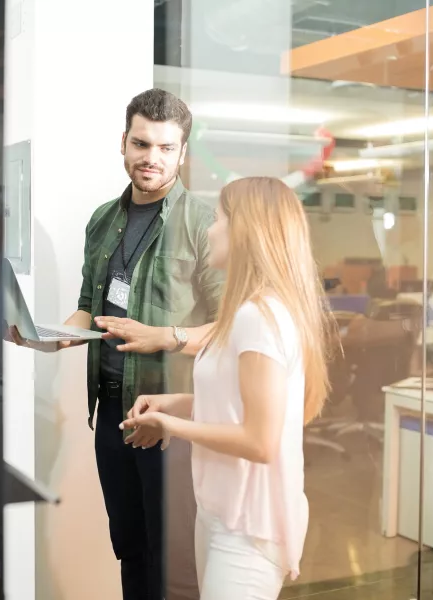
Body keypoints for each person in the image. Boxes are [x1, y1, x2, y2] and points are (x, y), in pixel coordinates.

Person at [8, 88, 222, 600]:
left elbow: (230, 323)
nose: (152, 158)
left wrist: (167, 337)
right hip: (112, 411)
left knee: (175, 561)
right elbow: (90, 306)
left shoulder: (203, 223)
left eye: (166, 148)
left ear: (182, 153)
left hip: (171, 417)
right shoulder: (103, 219)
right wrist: (49, 339)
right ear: (123, 142)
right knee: (130, 547)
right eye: (142, 143)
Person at [119, 176, 334, 600]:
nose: (209, 229)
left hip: (249, 527)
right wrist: (176, 405)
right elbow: (238, 405)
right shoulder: (246, 313)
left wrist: (171, 426)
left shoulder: (260, 317)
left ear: (245, 231)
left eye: (218, 219)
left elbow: (259, 440)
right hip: (220, 511)